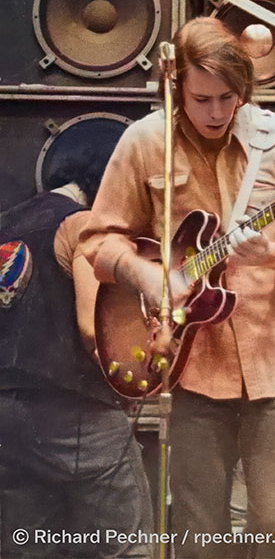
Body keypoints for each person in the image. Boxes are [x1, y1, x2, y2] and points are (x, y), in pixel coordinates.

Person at [80, 17, 275, 558]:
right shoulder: (145, 141)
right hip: (193, 367)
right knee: (198, 525)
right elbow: (98, 241)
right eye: (202, 99)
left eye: (229, 97)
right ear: (177, 90)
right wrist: (146, 275)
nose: (217, 112)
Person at [1, 149, 153, 558]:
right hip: (74, 412)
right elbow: (93, 329)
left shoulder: (7, 224)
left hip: (7, 417)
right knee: (124, 546)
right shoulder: (83, 224)